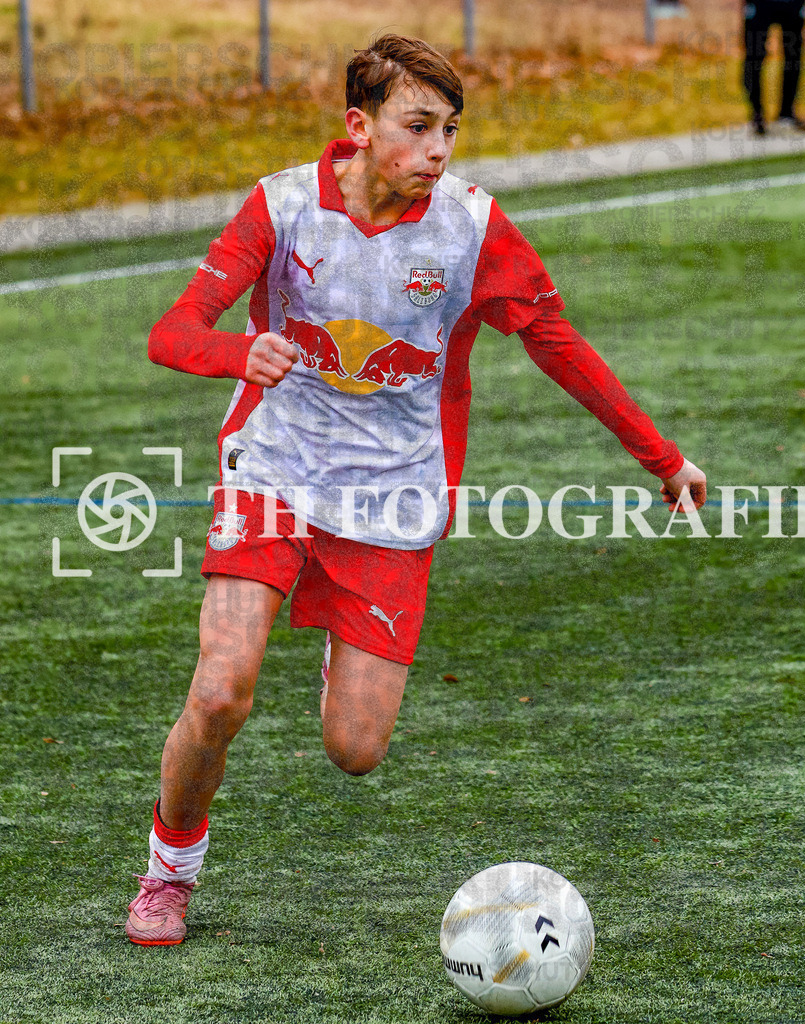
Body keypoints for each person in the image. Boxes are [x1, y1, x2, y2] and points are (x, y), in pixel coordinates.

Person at [125, 34, 707, 946]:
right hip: (274, 469)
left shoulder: (471, 227)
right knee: (221, 691)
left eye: (450, 131)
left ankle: (338, 647)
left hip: (395, 497)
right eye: (418, 127)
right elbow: (172, 332)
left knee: (355, 751)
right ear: (358, 127)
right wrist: (239, 352)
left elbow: (557, 343)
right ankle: (168, 872)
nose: (438, 150)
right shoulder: (281, 208)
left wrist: (659, 457)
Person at [743, 0, 805, 135]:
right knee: (754, 55)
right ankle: (757, 114)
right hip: (760, 5)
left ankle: (786, 113)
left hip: (791, 4)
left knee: (794, 54)